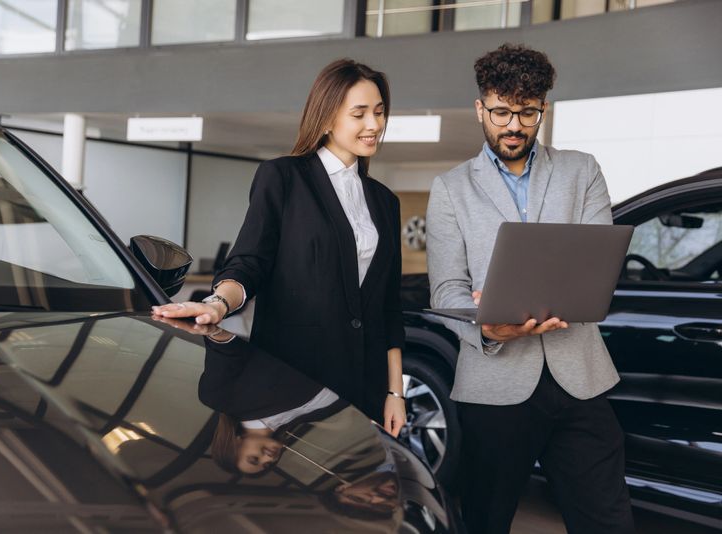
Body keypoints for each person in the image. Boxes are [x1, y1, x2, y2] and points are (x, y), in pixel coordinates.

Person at [426, 43, 635, 534]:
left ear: (544, 108)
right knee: (485, 521)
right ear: (481, 108)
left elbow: (598, 264)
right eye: (501, 112)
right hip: (494, 387)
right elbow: (447, 292)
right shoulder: (451, 188)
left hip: (579, 379)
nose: (513, 125)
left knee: (608, 521)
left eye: (527, 112)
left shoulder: (581, 170)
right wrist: (490, 329)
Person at [153, 59, 406, 435]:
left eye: (380, 112)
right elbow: (249, 261)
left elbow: (388, 305)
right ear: (326, 118)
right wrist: (217, 303)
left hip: (364, 384)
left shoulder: (385, 201)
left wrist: (395, 392)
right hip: (295, 380)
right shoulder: (284, 178)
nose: (374, 125)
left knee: (360, 489)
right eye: (359, 114)